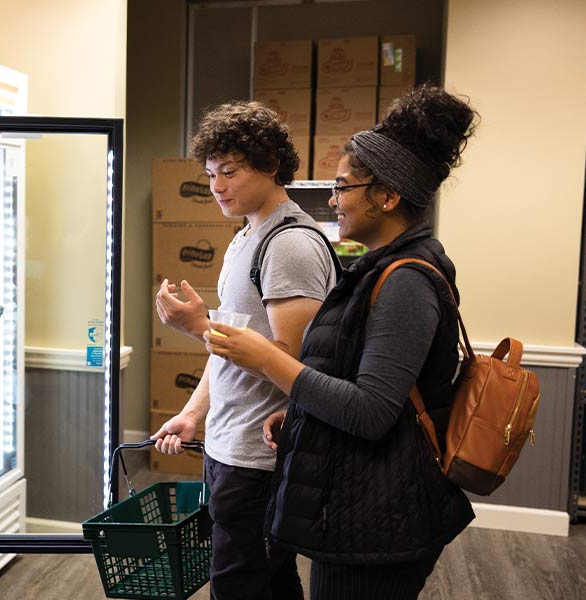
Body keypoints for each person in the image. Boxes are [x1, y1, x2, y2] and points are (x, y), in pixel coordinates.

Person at [203, 85, 480, 599]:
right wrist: (302, 413)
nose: (332, 200)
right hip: (360, 497)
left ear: (387, 196)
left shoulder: (406, 281)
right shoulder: (379, 269)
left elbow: (372, 411)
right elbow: (360, 378)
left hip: (381, 510)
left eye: (342, 186)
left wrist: (267, 357)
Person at [152, 101, 334, 600]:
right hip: (228, 443)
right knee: (271, 582)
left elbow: (287, 360)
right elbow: (230, 346)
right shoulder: (245, 238)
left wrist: (198, 327)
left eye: (229, 172)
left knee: (237, 585)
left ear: (271, 165)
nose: (216, 186)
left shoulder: (290, 245)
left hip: (260, 457)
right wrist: (192, 414)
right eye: (211, 174)